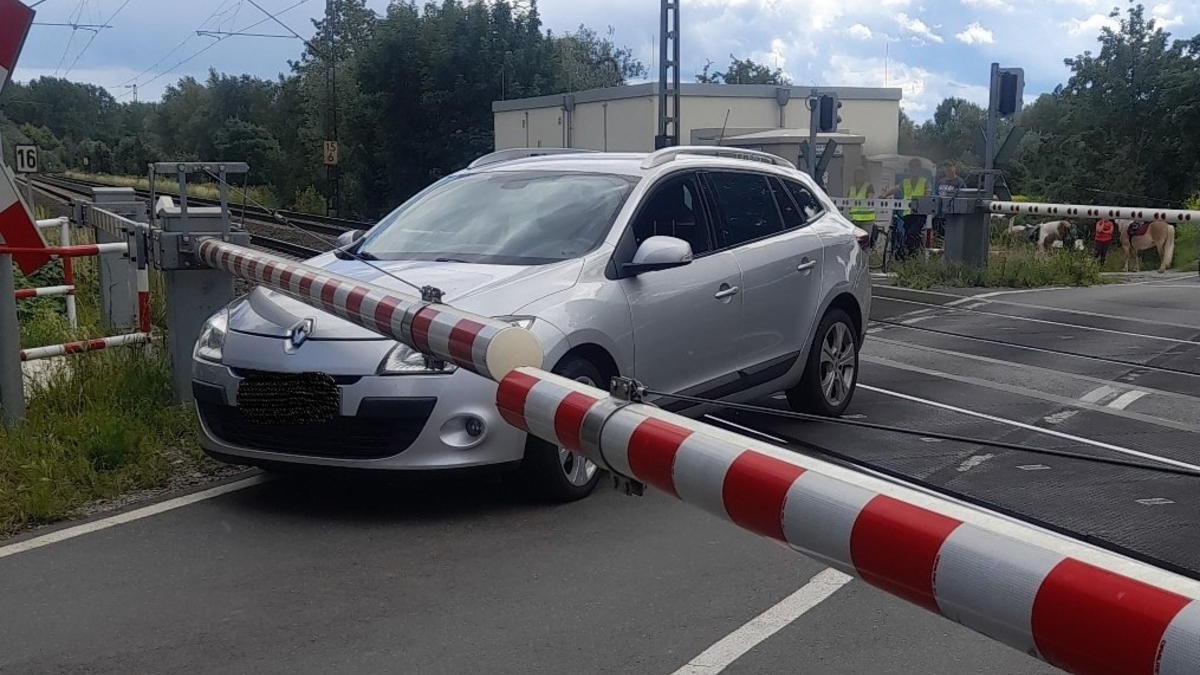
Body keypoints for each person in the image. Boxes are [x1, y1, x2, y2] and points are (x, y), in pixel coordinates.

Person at [883, 158, 930, 259]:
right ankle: (910, 256)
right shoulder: (905, 182)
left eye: (915, 168)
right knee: (908, 235)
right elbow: (895, 189)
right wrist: (884, 195)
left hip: (919, 214)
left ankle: (912, 256)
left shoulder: (924, 182)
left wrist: (924, 199)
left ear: (919, 169)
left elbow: (928, 195)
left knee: (912, 234)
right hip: (907, 214)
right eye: (911, 168)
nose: (913, 170)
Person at [846, 167, 877, 243]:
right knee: (855, 242)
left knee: (865, 242)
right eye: (856, 175)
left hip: (866, 220)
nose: (858, 177)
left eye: (860, 175)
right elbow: (848, 201)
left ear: (864, 176)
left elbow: (870, 200)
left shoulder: (869, 186)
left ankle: (866, 255)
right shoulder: (852, 188)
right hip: (855, 220)